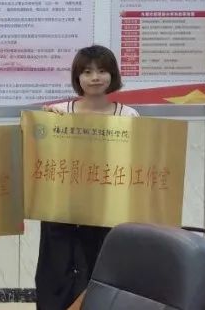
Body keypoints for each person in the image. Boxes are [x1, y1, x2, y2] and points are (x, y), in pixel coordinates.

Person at [35, 44, 139, 310]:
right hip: (60, 210)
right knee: (54, 275)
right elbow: (37, 152)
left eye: (102, 71)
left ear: (112, 74)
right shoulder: (58, 112)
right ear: (77, 77)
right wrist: (43, 125)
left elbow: (136, 162)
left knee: (100, 276)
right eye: (87, 72)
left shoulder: (128, 116)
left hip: (106, 211)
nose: (95, 78)